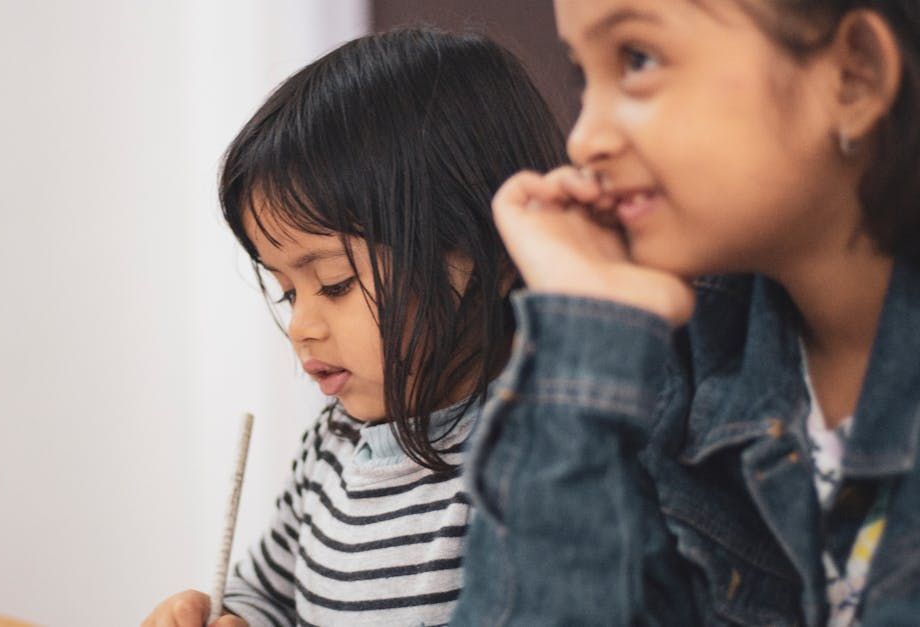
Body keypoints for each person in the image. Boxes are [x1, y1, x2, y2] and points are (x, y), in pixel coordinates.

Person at [453, 1, 920, 625]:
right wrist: (584, 328)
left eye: (637, 60)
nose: (583, 139)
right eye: (582, 77)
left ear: (854, 76)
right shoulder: (676, 367)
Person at [141, 28, 565, 626]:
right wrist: (226, 615)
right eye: (287, 291)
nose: (300, 327)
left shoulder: (544, 454)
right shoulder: (332, 444)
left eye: (335, 282)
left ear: (488, 251)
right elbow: (268, 594)